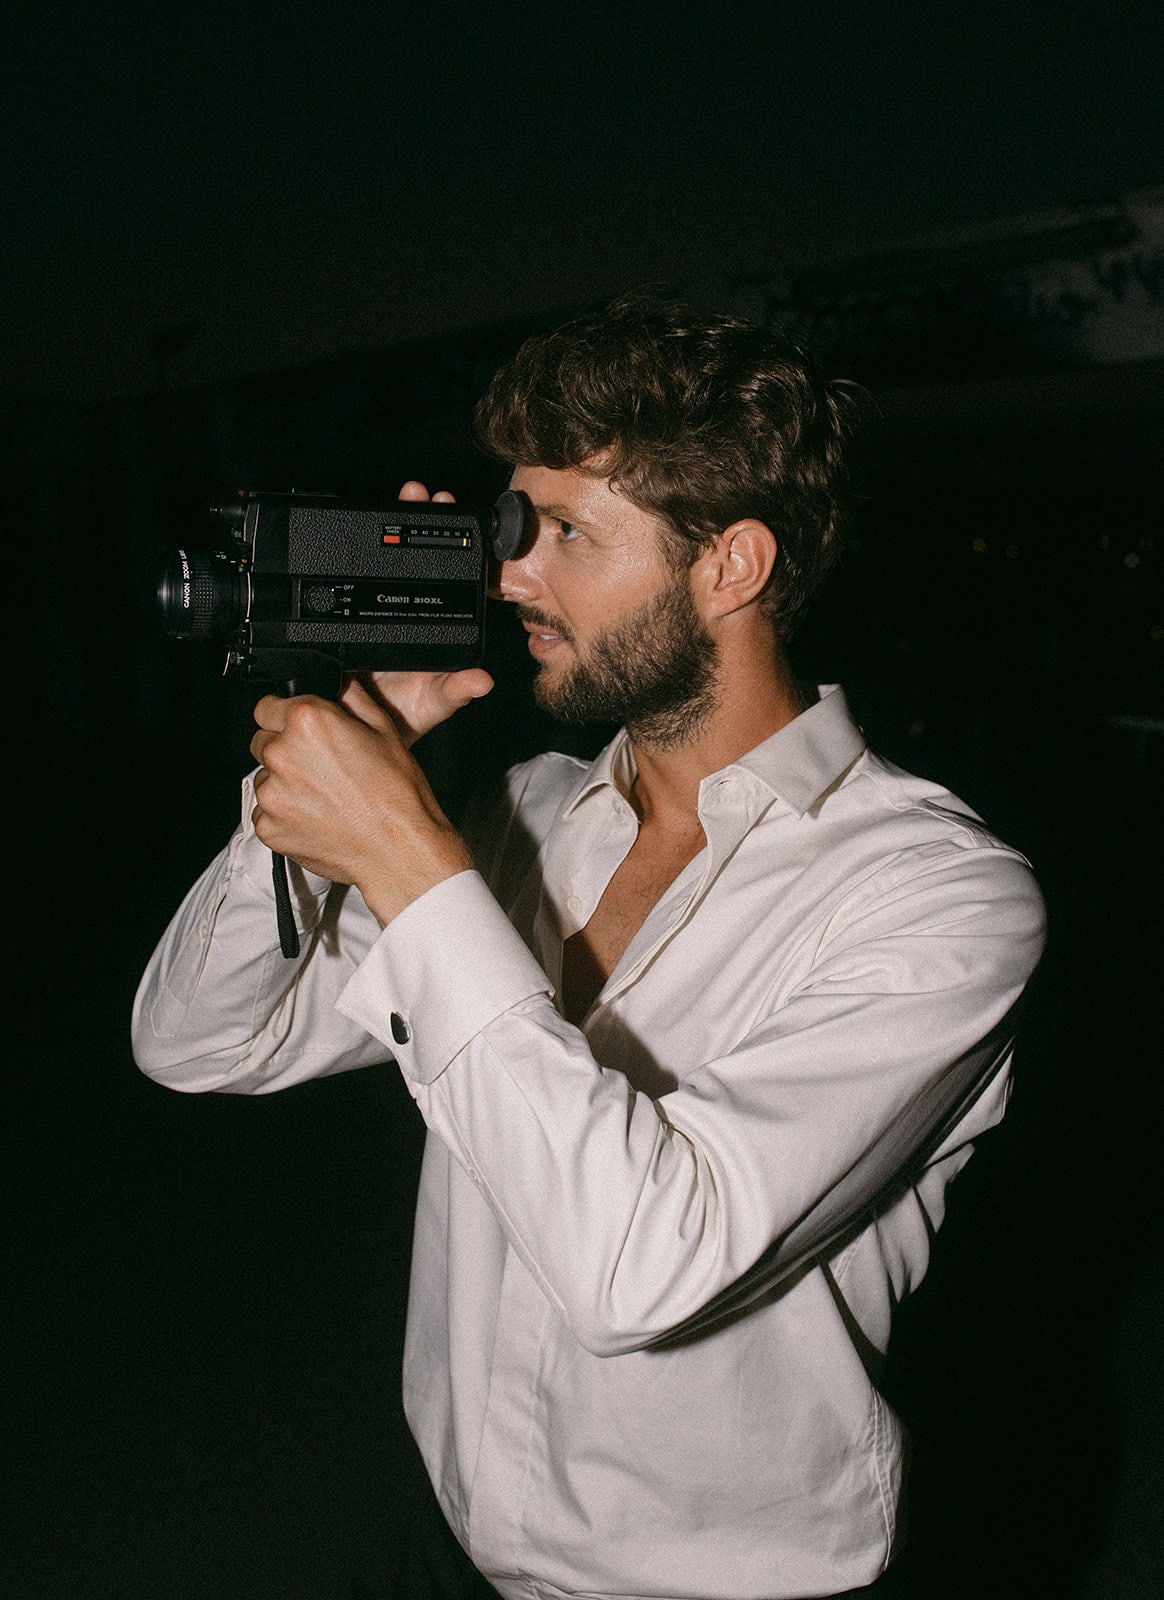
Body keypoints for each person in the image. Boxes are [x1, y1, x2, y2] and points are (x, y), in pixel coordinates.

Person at [133, 293, 1046, 1600]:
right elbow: (196, 1043)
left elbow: (645, 1271)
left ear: (730, 566)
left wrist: (405, 854)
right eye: (515, 527)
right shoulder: (533, 815)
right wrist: (335, 795)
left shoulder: (938, 894)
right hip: (450, 1544)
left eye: (566, 532)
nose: (510, 576)